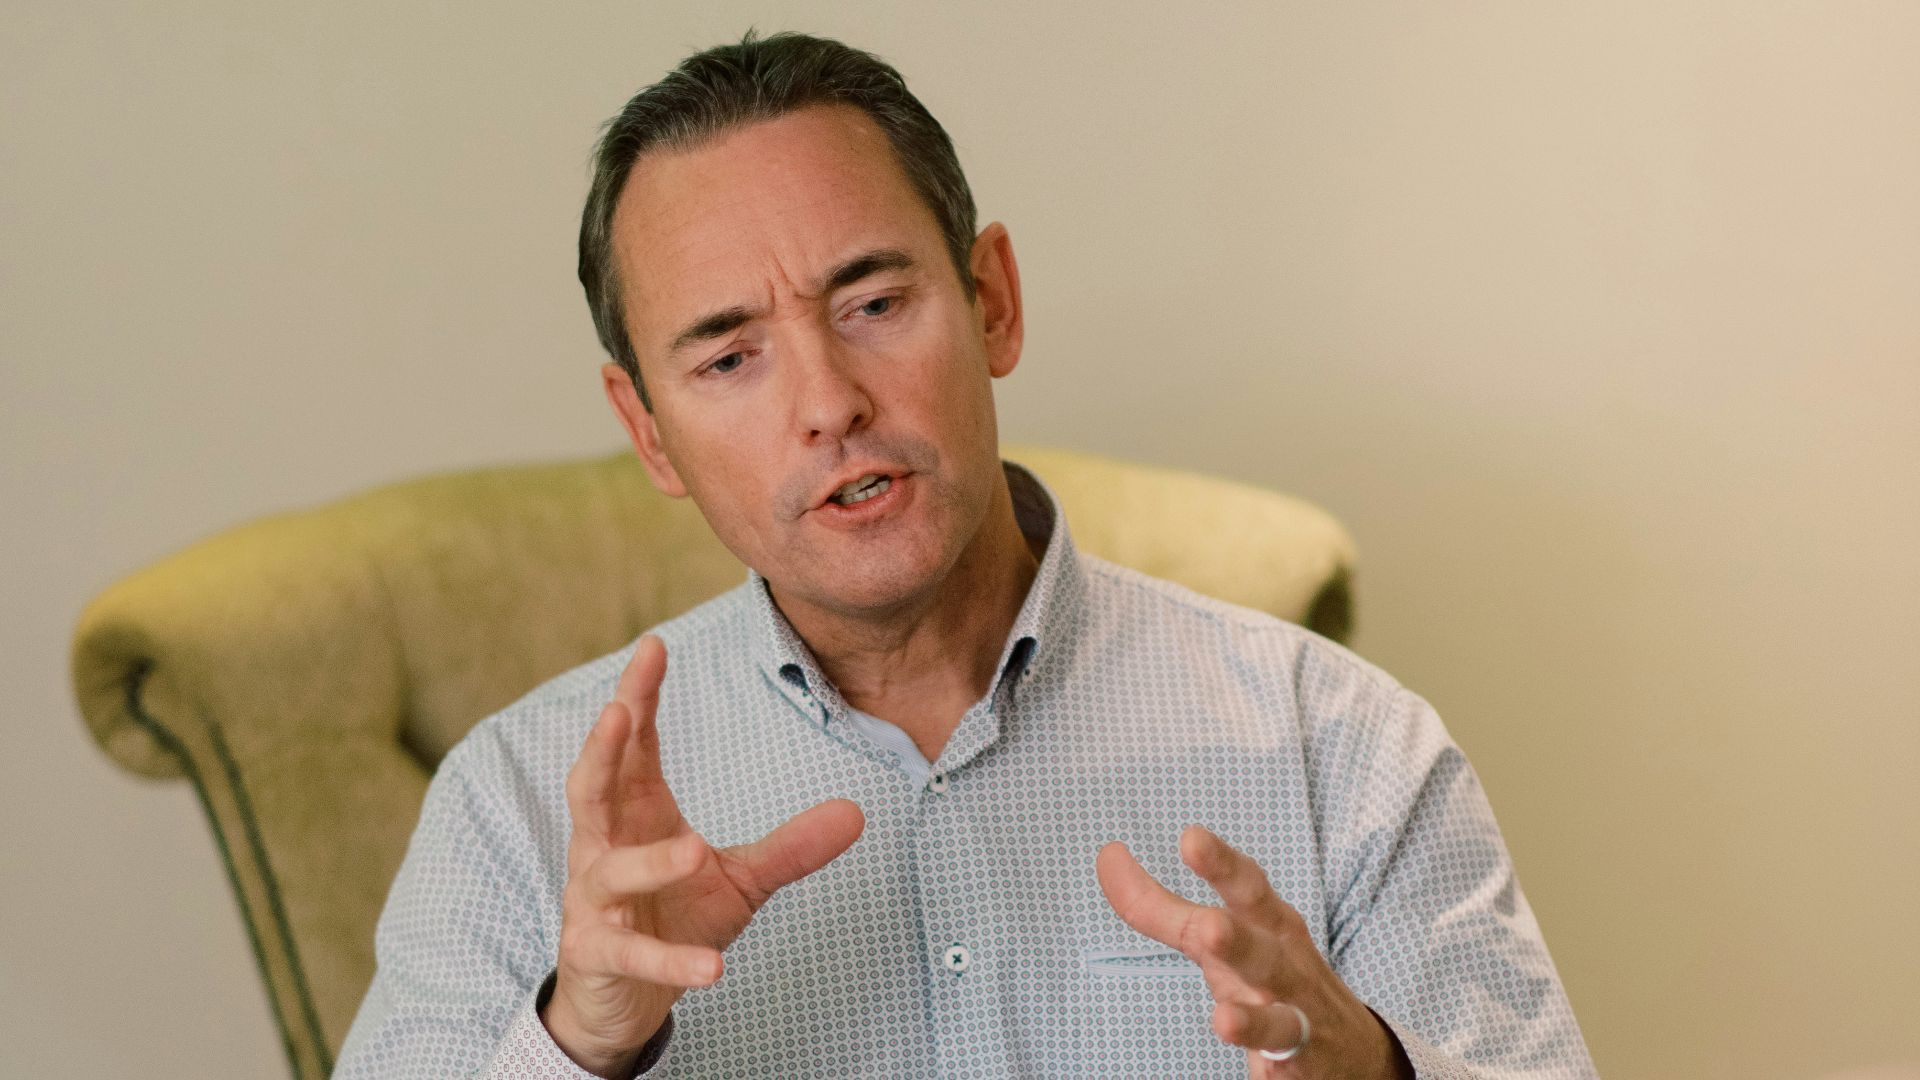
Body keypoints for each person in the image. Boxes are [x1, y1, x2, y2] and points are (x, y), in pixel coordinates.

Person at [333, 30, 1596, 1079]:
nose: (826, 402)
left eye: (874, 305)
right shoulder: (514, 804)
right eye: (729, 358)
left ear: (992, 299)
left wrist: (1378, 1073)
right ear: (647, 431)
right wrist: (579, 1042)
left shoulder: (1343, 747)